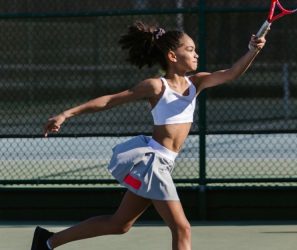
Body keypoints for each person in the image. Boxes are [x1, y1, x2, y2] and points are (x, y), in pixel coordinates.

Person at [31, 20, 266, 250]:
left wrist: (252, 51)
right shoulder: (156, 86)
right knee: (182, 228)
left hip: (159, 165)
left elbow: (233, 73)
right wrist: (66, 114)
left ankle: (48, 242)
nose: (196, 54)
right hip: (153, 164)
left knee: (120, 223)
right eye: (190, 49)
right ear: (173, 56)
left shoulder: (197, 82)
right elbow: (110, 100)